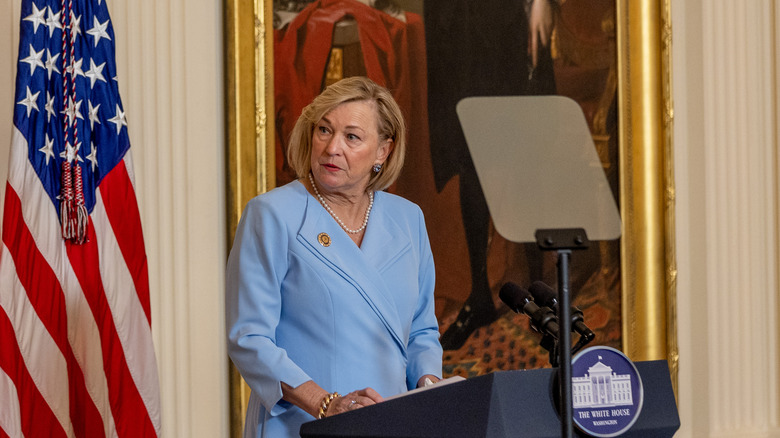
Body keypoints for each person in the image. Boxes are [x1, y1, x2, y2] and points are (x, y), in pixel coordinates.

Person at [226, 76, 443, 438]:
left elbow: (422, 328)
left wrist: (430, 383)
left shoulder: (408, 219)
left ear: (382, 152)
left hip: (391, 422)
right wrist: (325, 403)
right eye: (324, 130)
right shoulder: (272, 214)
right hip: (303, 423)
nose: (331, 148)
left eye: (352, 137)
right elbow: (248, 337)